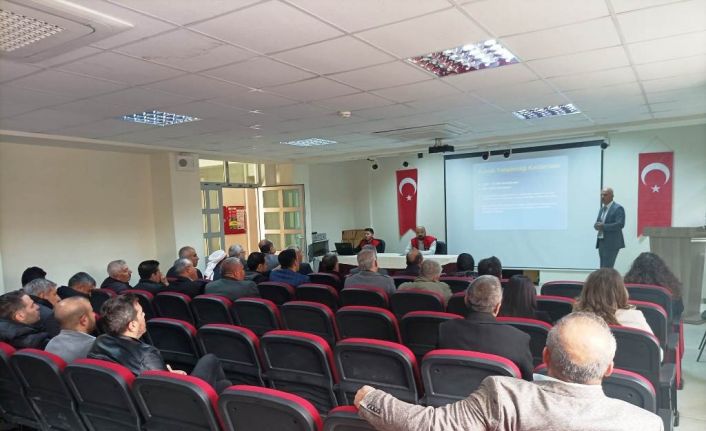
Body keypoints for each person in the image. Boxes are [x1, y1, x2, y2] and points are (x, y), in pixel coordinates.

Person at [354, 312, 662, 431]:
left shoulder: (504, 396)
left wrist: (370, 398)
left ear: (545, 356)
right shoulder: (647, 425)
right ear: (609, 368)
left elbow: (430, 425)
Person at [89, 294, 231, 392]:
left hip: (126, 398)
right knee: (210, 359)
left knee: (222, 385)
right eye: (141, 314)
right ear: (132, 325)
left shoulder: (100, 341)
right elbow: (164, 391)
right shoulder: (147, 355)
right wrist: (173, 377)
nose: (144, 315)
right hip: (175, 404)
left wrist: (167, 373)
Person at [438, 275, 533, 380]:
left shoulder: (444, 329)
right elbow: (528, 382)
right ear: (498, 307)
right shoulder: (519, 339)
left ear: (465, 300)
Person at [574, 268, 653, 335]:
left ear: (587, 291)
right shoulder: (635, 317)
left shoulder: (575, 319)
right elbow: (654, 347)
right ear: (621, 292)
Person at [624, 252, 684, 319]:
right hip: (661, 325)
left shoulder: (624, 289)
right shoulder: (670, 289)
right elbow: (678, 310)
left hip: (632, 324)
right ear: (662, 269)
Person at [45, 297, 96, 362]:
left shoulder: (51, 344)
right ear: (84, 320)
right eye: (92, 311)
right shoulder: (95, 348)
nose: (94, 314)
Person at [594, 187, 625, 268]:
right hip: (601, 241)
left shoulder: (618, 208)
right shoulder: (602, 209)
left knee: (607, 268)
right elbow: (598, 222)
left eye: (605, 195)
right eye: (601, 195)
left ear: (612, 196)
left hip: (612, 242)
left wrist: (603, 226)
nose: (602, 197)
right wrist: (596, 226)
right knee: (602, 267)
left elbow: (620, 224)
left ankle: (607, 277)